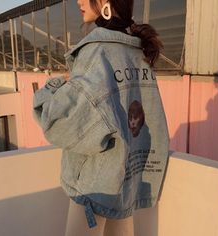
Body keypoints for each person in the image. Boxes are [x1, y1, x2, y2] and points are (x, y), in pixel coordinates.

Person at [33, 0, 170, 235]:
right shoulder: (138, 53)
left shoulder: (97, 52)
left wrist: (53, 87)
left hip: (94, 187)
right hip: (127, 185)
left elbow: (56, 121)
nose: (79, 1)